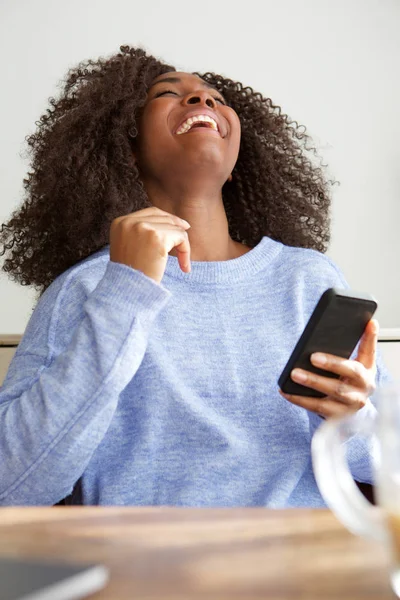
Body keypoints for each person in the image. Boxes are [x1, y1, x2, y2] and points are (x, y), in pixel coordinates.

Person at [0, 45, 392, 507]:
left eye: (214, 97)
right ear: (125, 148)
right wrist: (125, 291)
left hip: (306, 564)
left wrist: (352, 422)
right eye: (169, 94)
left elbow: (389, 466)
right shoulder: (86, 289)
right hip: (147, 569)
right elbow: (11, 484)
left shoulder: (306, 278)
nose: (202, 101)